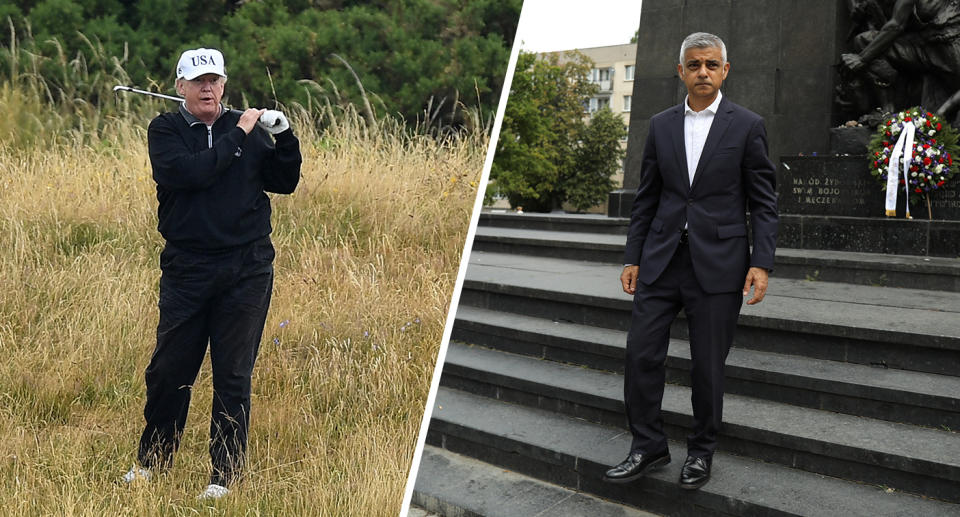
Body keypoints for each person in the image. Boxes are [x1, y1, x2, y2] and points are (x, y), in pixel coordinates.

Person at [121, 47, 302, 500]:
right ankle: (154, 462)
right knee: (170, 369)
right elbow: (192, 175)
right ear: (179, 86)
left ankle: (224, 476)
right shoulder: (165, 131)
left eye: (215, 80)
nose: (208, 88)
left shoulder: (250, 128)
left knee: (233, 375)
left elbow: (285, 182)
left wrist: (285, 137)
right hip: (188, 267)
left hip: (247, 267)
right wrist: (239, 134)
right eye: (198, 81)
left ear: (224, 84)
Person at [603, 32, 778, 490]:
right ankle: (647, 446)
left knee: (707, 367)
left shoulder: (747, 125)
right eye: (695, 64)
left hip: (720, 265)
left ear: (725, 71)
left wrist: (761, 262)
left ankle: (701, 452)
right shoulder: (661, 124)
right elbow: (647, 197)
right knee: (641, 355)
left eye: (712, 64)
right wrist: (632, 255)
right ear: (680, 71)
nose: (704, 72)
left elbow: (763, 201)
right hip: (660, 261)